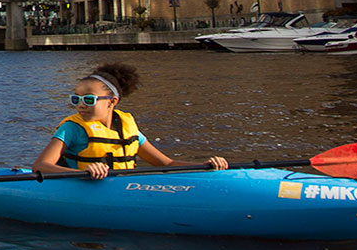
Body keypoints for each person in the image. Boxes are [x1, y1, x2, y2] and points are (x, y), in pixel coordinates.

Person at [32, 61, 229, 179]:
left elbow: (166, 164)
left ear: (112, 101)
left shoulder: (127, 126)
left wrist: (206, 166)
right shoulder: (71, 128)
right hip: (79, 185)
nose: (81, 105)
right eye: (76, 99)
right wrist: (84, 173)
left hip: (120, 186)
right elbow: (40, 166)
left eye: (89, 100)